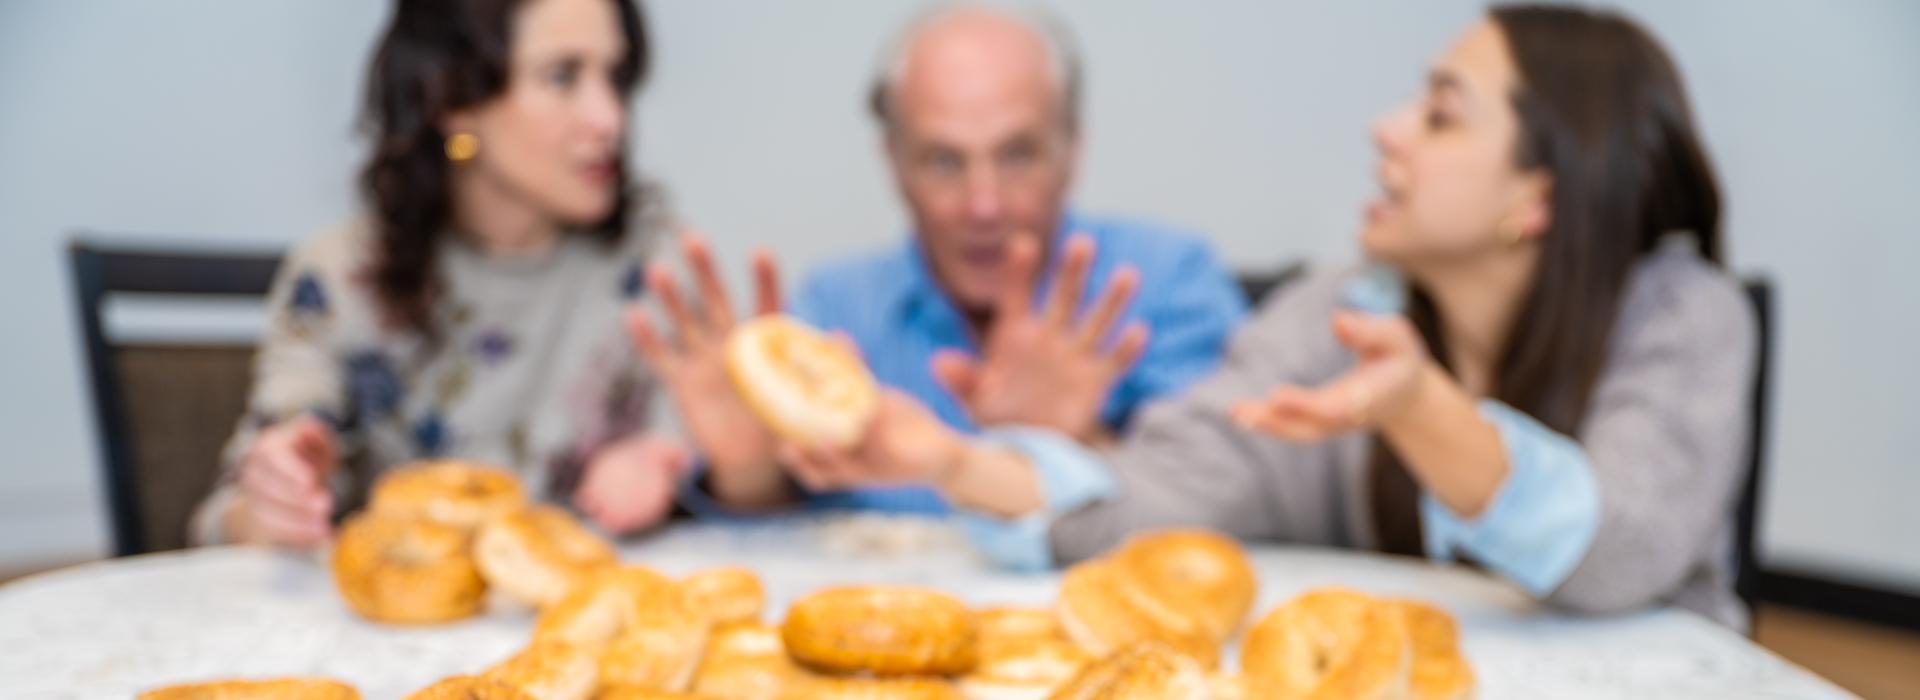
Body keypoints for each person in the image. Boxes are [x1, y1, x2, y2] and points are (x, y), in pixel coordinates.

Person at [778, 4, 1760, 630]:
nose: (1386, 129)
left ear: (1536, 195)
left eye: (1440, 114)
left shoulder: (1683, 314)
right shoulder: (1340, 310)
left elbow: (1623, 551)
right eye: (944, 159)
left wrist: (1424, 409)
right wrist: (950, 459)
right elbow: (1171, 490)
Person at [629, 2, 1247, 515]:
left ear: (1071, 151)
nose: (983, 206)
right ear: (894, 163)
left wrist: (1077, 445)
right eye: (944, 162)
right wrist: (747, 472)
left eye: (1017, 155)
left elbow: (1236, 510)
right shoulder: (831, 313)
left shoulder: (1168, 283)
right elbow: (781, 546)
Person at [192, 0, 687, 547]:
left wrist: (684, 463)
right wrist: (271, 504)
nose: (610, 117)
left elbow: (734, 485)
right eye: (562, 76)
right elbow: (222, 521)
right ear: (454, 97)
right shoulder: (338, 278)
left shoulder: (650, 262)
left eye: (614, 77)